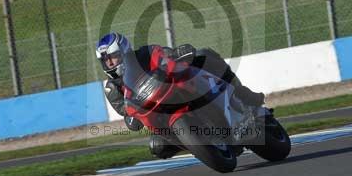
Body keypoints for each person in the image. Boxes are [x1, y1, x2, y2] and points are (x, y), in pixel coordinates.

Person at [95, 32, 265, 159]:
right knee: (158, 146)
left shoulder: (145, 53)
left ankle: (241, 93)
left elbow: (165, 55)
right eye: (106, 60)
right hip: (158, 113)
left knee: (203, 55)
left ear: (124, 51)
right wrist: (130, 116)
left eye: (114, 57)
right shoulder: (112, 88)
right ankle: (201, 147)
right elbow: (125, 110)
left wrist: (176, 54)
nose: (110, 63)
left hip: (174, 87)